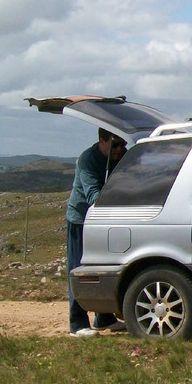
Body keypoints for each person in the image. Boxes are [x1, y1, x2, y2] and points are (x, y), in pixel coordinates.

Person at [66, 128, 126, 337]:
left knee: (102, 267)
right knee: (78, 269)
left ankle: (104, 317)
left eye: (122, 144)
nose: (120, 149)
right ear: (102, 140)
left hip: (104, 221)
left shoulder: (120, 156)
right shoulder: (87, 160)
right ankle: (77, 323)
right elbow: (93, 196)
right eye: (115, 144)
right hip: (81, 220)